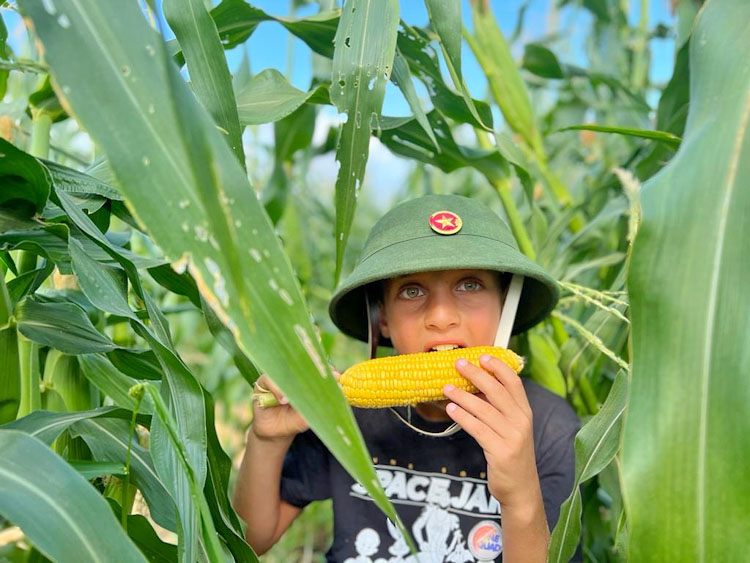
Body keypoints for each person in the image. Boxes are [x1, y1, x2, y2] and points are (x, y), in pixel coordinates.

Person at [233, 194, 580, 562]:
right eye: (411, 291)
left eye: (470, 285)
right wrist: (266, 439)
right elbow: (251, 539)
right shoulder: (345, 416)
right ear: (382, 320)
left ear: (505, 307)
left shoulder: (547, 427)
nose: (442, 315)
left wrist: (520, 498)